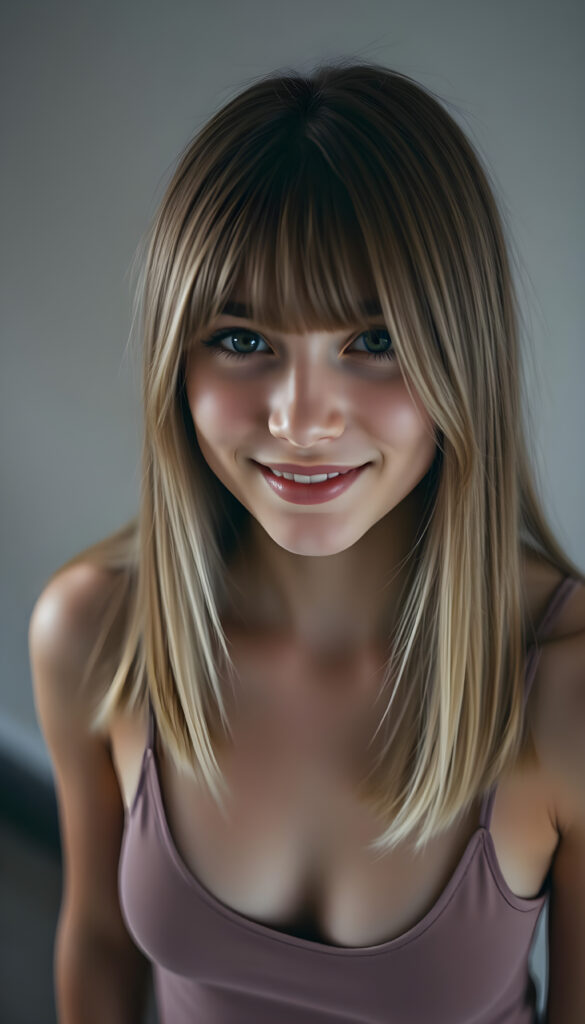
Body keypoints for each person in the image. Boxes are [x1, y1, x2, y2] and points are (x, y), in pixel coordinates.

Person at [28, 59, 585, 1023]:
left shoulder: (568, 689)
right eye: (243, 339)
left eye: (372, 341)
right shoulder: (95, 634)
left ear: (465, 354)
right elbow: (96, 948)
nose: (301, 420)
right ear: (176, 362)